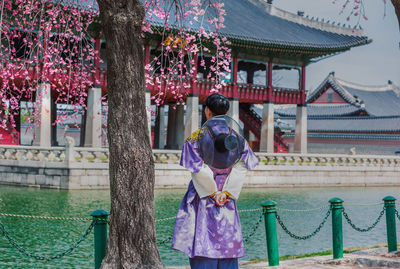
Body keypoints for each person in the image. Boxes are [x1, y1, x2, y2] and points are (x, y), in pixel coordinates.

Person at [171, 93, 259, 269]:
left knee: (202, 240)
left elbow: (198, 169)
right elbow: (242, 166)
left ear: (207, 111)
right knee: (227, 242)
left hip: (203, 195)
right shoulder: (238, 138)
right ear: (226, 112)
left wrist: (212, 192)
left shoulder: (196, 137)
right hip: (227, 197)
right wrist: (227, 192)